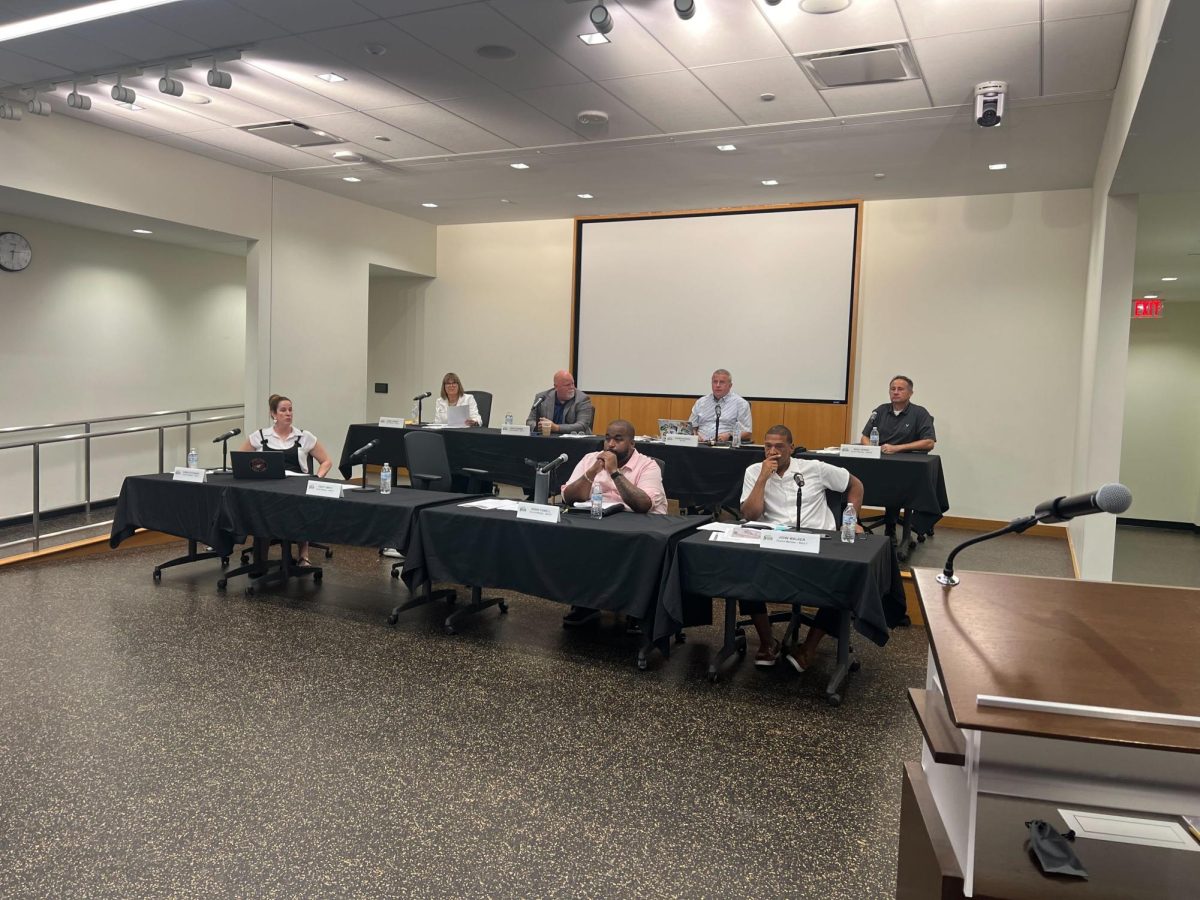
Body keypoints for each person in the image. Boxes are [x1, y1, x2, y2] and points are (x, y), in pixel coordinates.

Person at [739, 424, 864, 671]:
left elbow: (855, 485)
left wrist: (852, 520)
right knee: (743, 568)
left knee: (843, 578)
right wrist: (764, 477)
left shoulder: (814, 468)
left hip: (819, 539)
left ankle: (809, 648)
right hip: (774, 540)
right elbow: (750, 514)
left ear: (791, 448)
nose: (772, 451)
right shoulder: (754, 471)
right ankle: (767, 642)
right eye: (767, 446)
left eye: (779, 446)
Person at [559, 419, 666, 628]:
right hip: (601, 520)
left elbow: (643, 504)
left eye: (618, 439)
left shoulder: (647, 465)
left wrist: (614, 472)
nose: (610, 445)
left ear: (632, 444)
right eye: (607, 438)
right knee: (575, 539)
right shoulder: (590, 459)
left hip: (640, 524)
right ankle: (585, 603)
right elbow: (569, 497)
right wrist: (592, 471)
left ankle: (637, 610)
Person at [239, 393, 333, 567]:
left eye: (290, 410)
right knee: (262, 510)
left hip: (297, 488)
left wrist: (317, 478)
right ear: (273, 414)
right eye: (283, 410)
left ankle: (303, 555)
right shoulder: (260, 436)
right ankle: (261, 559)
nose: (288, 413)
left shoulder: (304, 437)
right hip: (269, 487)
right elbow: (240, 460)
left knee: (300, 508)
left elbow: (326, 461)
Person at [859, 374, 936, 537]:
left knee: (895, 485)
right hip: (879, 461)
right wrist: (872, 449)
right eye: (892, 389)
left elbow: (929, 442)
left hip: (904, 466)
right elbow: (864, 436)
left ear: (910, 393)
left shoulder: (919, 413)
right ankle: (855, 523)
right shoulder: (880, 410)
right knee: (854, 477)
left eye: (900, 389)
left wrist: (897, 448)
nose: (895, 392)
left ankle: (894, 528)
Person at [688, 368, 752, 444]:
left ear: (730, 385)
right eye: (715, 382)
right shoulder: (701, 402)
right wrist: (695, 435)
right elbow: (691, 427)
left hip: (725, 446)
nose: (717, 385)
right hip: (701, 444)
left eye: (722, 382)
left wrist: (729, 435)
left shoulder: (741, 404)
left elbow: (747, 432)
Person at [527, 370, 594, 435]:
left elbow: (582, 426)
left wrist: (556, 428)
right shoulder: (542, 398)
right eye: (567, 385)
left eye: (573, 383)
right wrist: (538, 427)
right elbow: (530, 421)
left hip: (574, 442)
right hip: (548, 440)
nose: (572, 387)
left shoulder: (582, 399)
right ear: (556, 387)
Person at [415, 372, 480, 426]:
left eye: (454, 383)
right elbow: (438, 422)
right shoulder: (440, 401)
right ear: (444, 387)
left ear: (458, 385)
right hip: (446, 433)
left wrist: (474, 422)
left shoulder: (469, 398)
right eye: (448, 384)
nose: (451, 386)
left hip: (464, 433)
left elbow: (477, 417)